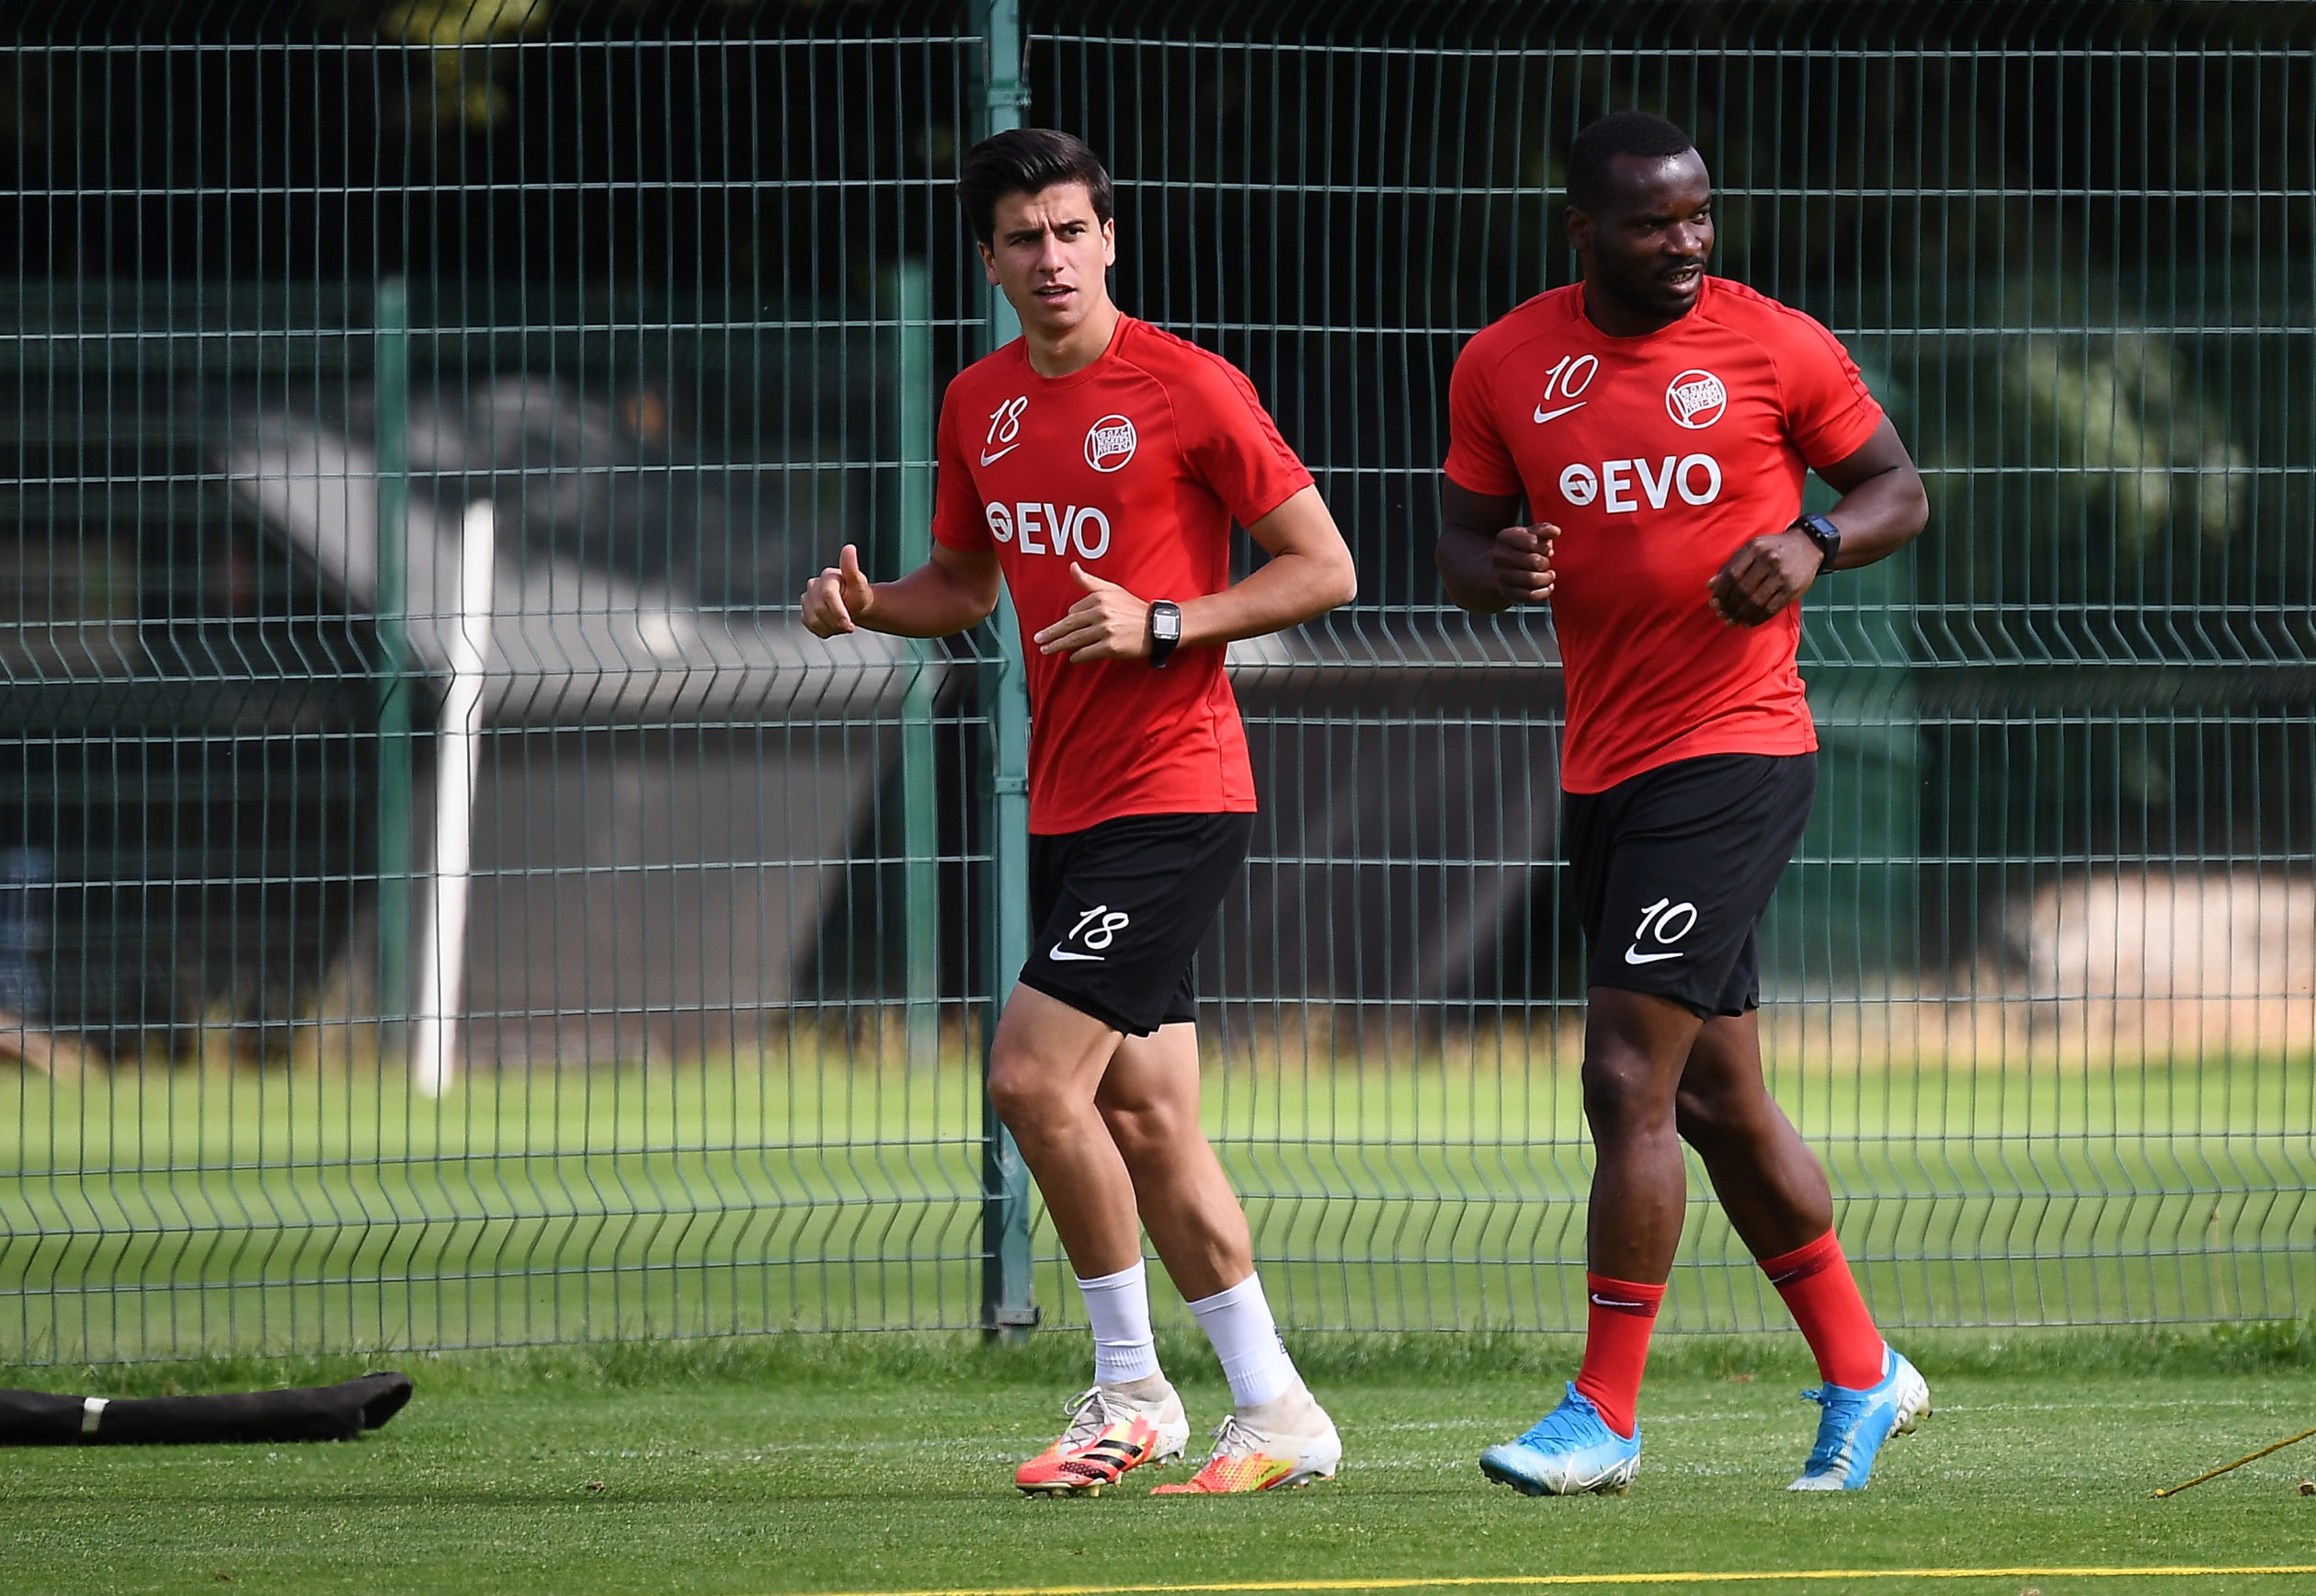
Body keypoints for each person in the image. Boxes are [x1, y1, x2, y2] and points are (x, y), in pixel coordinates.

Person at [800, 128, 1356, 1496]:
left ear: (1109, 239)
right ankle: (1278, 1410)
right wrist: (869, 607)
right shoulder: (978, 401)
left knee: (1029, 1082)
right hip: (1073, 798)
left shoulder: (1188, 388)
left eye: (1069, 230)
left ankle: (1132, 1392)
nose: (1049, 257)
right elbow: (962, 586)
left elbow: (1324, 568)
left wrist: (1165, 620)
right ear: (988, 263)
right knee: (1149, 1118)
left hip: (1177, 790)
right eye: (1021, 238)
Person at [1436, 110, 1933, 1495]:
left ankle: (1602, 1414)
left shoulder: (1776, 345)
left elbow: (1897, 490)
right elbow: (1459, 540)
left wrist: (1814, 538)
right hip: (1604, 765)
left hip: (1737, 751)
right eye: (1652, 222)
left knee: (1622, 1078)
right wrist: (1496, 569)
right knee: (1717, 1099)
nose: (1685, 242)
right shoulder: (1504, 362)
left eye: (1698, 214)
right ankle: (1863, 1371)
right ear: (1582, 231)